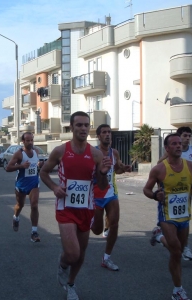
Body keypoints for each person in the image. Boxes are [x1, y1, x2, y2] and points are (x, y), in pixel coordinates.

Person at [40, 111, 111, 300]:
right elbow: (44, 172)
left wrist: (103, 173)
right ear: (71, 127)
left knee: (81, 254)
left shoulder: (95, 154)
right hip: (65, 208)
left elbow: (102, 186)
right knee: (72, 253)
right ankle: (63, 264)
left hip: (86, 209)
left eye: (86, 125)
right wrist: (55, 187)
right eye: (79, 125)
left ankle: (71, 284)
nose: (83, 128)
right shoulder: (60, 151)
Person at [143, 133, 192, 300]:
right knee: (176, 250)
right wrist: (155, 196)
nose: (178, 146)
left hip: (184, 216)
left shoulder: (190, 166)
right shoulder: (159, 169)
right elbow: (146, 189)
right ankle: (178, 290)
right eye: (174, 144)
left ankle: (159, 236)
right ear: (167, 148)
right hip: (167, 216)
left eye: (179, 144)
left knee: (179, 250)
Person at [152, 127, 192, 261]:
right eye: (184, 136)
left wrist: (190, 168)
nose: (187, 138)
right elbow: (160, 167)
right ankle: (181, 246)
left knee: (183, 222)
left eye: (189, 136)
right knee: (176, 244)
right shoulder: (170, 153)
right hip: (171, 195)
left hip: (186, 193)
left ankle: (164, 238)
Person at [91, 124, 132, 271]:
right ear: (98, 136)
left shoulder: (114, 153)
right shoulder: (93, 153)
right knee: (97, 230)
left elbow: (118, 169)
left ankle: (106, 258)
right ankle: (88, 220)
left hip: (110, 193)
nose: (108, 134)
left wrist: (124, 168)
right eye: (104, 132)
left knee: (114, 224)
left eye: (109, 132)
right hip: (95, 195)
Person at [6, 132, 44, 242]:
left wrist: (39, 166)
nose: (30, 142)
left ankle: (34, 232)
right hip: (21, 184)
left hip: (34, 183)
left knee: (34, 205)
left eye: (32, 140)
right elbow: (8, 168)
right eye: (28, 140)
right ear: (23, 141)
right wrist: (22, 166)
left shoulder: (36, 151)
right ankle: (16, 217)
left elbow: (35, 166)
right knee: (20, 205)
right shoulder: (19, 154)